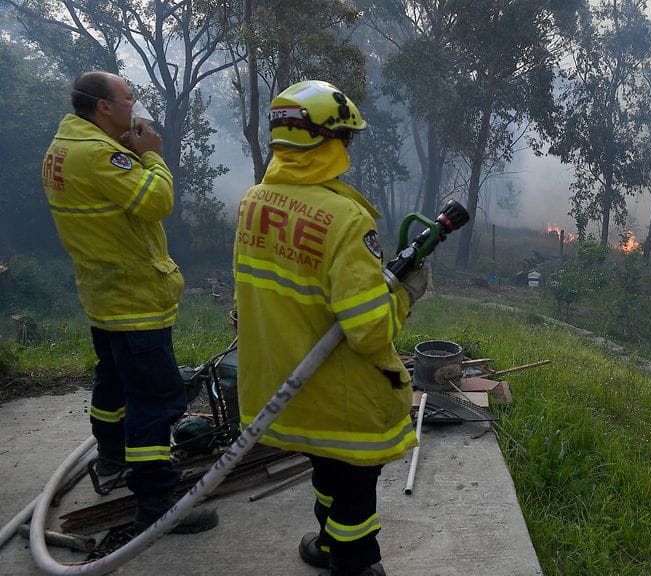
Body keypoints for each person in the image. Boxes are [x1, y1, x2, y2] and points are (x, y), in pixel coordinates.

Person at [232, 80, 428, 576]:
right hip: (341, 395)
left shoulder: (253, 201)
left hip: (285, 386)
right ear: (330, 141)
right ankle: (357, 562)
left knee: (324, 466)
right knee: (355, 483)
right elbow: (368, 332)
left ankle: (325, 542)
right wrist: (405, 293)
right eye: (347, 139)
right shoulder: (344, 219)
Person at [41, 70, 218, 535]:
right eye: (129, 98)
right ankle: (156, 500)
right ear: (103, 107)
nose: (134, 106)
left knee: (114, 381)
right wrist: (153, 157)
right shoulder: (100, 154)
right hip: (133, 296)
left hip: (103, 293)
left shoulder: (63, 147)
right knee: (156, 399)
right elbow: (156, 201)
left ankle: (114, 456)